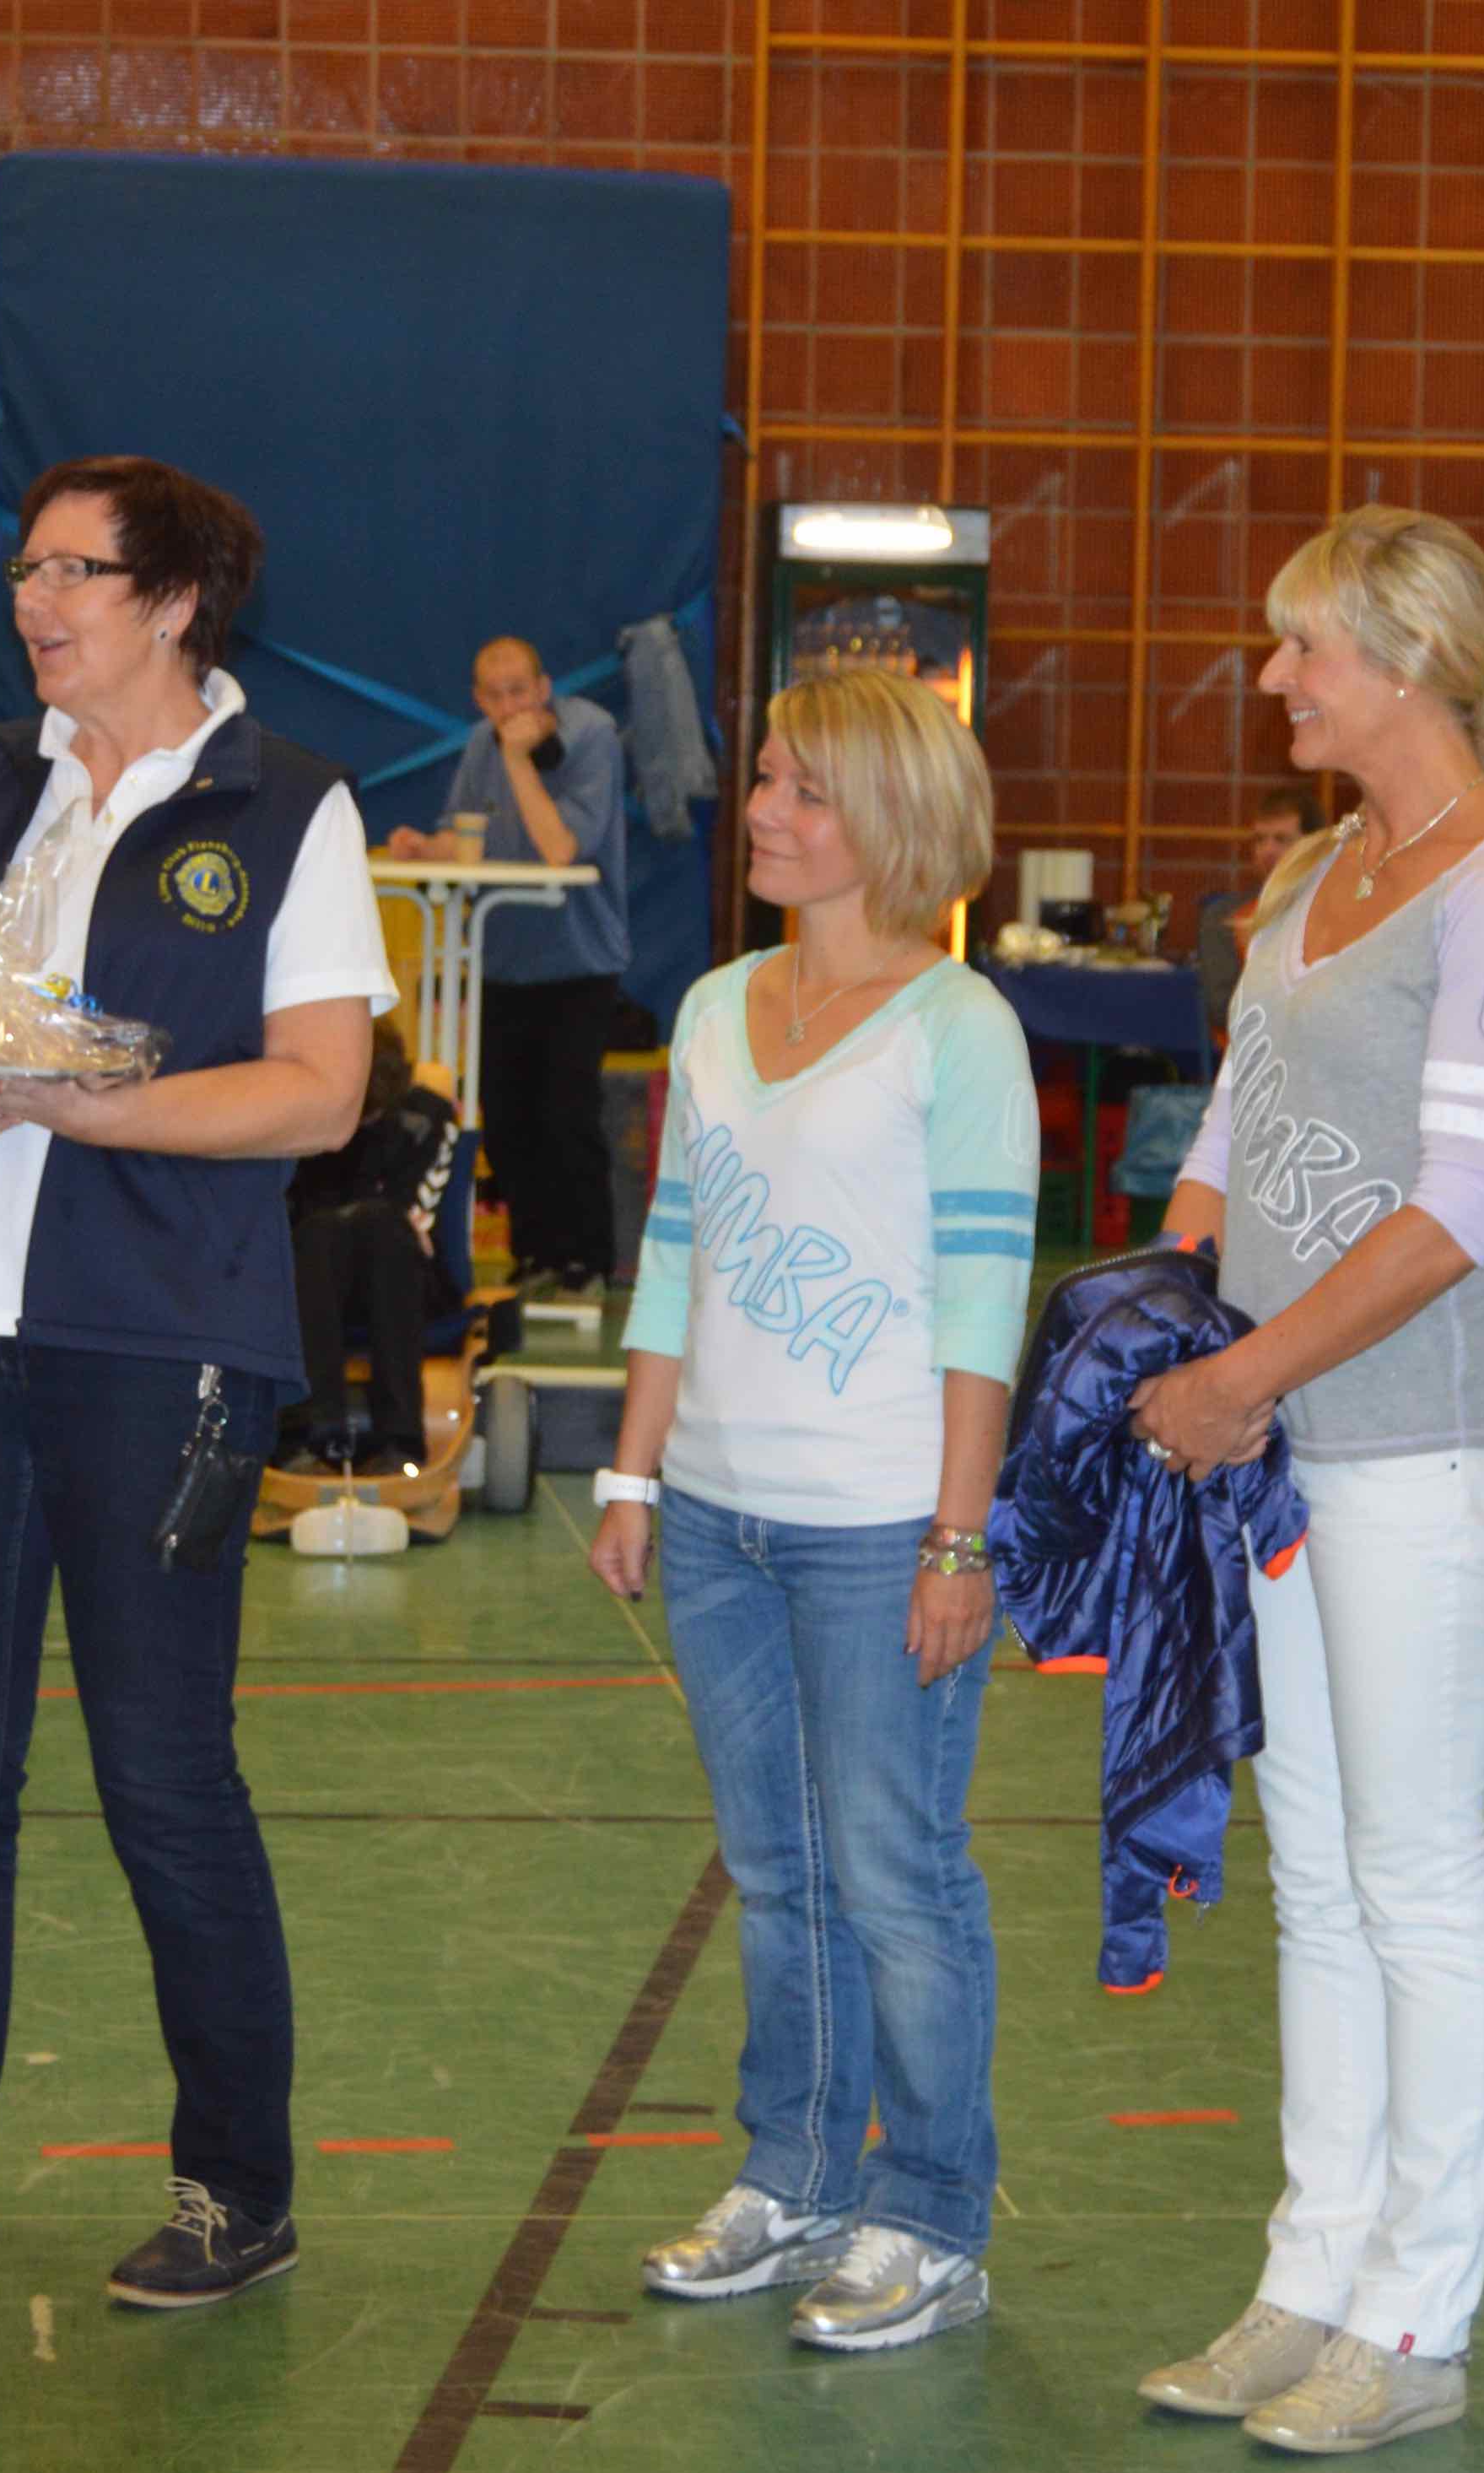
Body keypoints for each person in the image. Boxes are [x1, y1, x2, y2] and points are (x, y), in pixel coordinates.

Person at [0, 455, 394, 2309]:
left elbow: (317, 1093)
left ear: (176, 599)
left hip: (159, 1344)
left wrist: (55, 1094)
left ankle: (234, 2183)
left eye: (74, 573)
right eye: (26, 568)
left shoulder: (283, 808)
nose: (35, 601)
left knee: (161, 1771)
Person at [1131, 505, 1484, 2454]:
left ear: (1399, 656)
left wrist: (1239, 1369)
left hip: (1410, 1437)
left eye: (1299, 647)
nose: (1271, 680)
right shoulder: (1316, 867)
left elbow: (1458, 1207)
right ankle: (1309, 2278)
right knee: (1313, 1876)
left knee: (1412, 1873)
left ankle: (1414, 2322)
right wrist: (1165, 1324)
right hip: (1268, 1440)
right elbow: (1230, 1117)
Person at [586, 662, 1036, 2355]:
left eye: (798, 787)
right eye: (765, 778)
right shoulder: (710, 1009)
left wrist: (955, 1533)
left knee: (894, 1873)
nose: (760, 809)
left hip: (876, 1533)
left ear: (892, 820)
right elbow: (672, 1259)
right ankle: (794, 2176)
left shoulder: (960, 1028)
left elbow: (981, 1307)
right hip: (712, 1516)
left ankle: (928, 2206)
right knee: (773, 1870)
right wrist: (634, 1470)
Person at [385, 636, 629, 1298]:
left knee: (567, 1115)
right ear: (478, 700)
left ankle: (586, 1262)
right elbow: (468, 840)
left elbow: (559, 849)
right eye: (495, 696)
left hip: (578, 961)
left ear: (544, 686)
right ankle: (534, 1256)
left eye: (520, 690)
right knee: (510, 1117)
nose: (509, 706)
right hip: (500, 960)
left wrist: (520, 759)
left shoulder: (592, 734)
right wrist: (422, 848)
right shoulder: (477, 745)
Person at [279, 1015, 464, 1472]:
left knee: (382, 1226)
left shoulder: (424, 1120)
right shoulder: (302, 1128)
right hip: (317, 1279)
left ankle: (400, 1440)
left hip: (401, 1279)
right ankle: (311, 1433)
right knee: (320, 1233)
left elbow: (417, 1220)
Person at [1198, 784, 1330, 1030]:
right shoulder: (1225, 918)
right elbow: (1222, 1008)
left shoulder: (1339, 912)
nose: (1267, 851)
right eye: (1259, 840)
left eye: (1282, 840)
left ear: (1314, 847)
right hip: (1252, 1051)